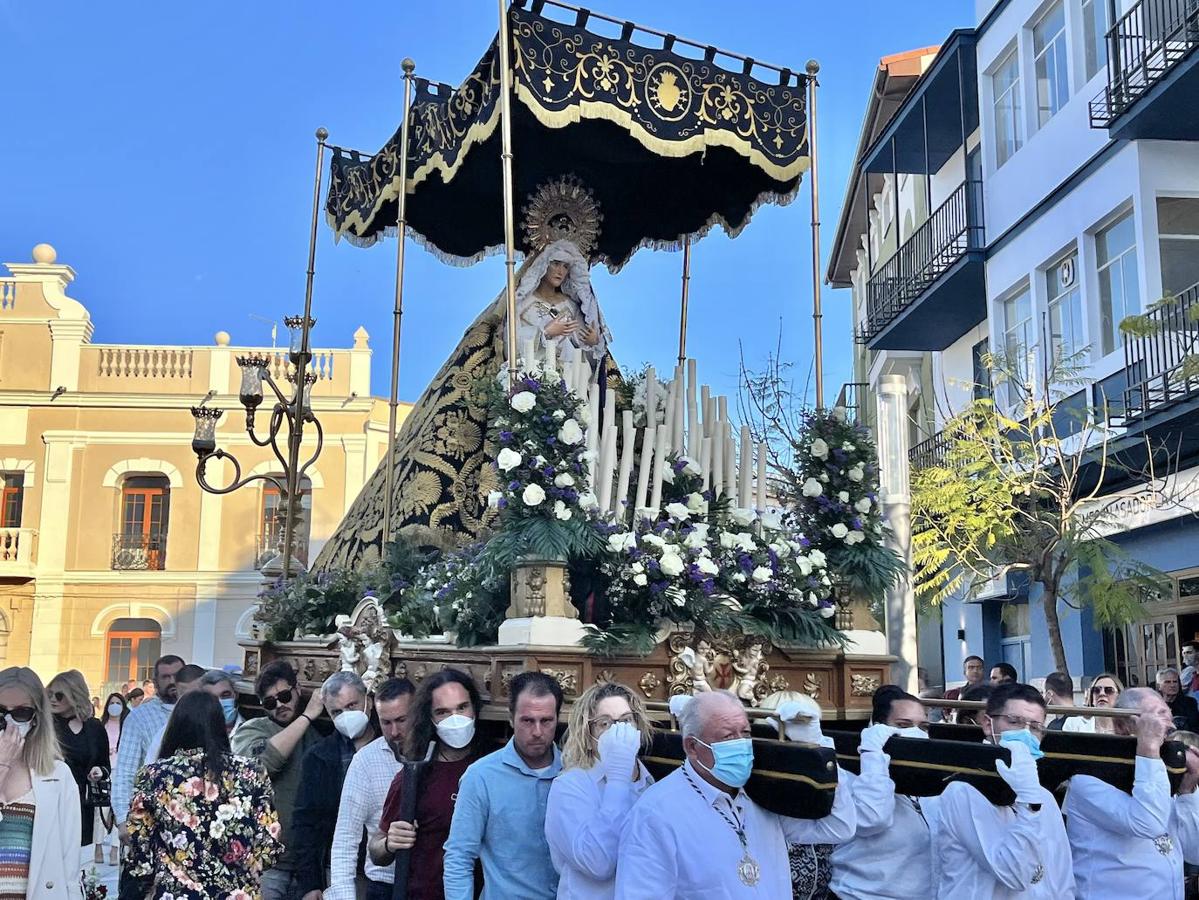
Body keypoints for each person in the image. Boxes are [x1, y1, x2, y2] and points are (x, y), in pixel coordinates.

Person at [614, 689, 856, 898]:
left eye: (746, 733)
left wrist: (820, 750)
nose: (741, 744)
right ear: (692, 746)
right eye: (728, 736)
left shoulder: (762, 793)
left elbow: (840, 827)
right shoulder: (656, 813)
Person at [126, 690, 282, 900]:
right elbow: (269, 844)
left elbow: (140, 850)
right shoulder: (251, 772)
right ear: (220, 725)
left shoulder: (154, 775)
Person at [936, 682, 1073, 898]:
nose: (1026, 733)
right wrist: (1028, 801)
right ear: (987, 724)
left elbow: (1061, 875)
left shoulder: (1042, 795)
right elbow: (1013, 874)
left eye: (1035, 727)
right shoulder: (964, 790)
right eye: (1014, 722)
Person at [1065, 687, 1199, 899]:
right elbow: (1148, 823)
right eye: (1156, 718)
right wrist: (1148, 749)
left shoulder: (1162, 772)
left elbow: (1195, 853)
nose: (1169, 726)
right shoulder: (1088, 780)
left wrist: (1186, 791)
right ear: (1121, 726)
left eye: (1169, 717)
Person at [444, 671, 566, 899]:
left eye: (546, 721)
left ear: (558, 718)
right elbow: (459, 856)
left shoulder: (573, 773)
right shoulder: (481, 776)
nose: (537, 731)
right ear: (511, 718)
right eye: (527, 720)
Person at [373, 669, 486, 900]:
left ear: (474, 708)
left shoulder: (492, 766)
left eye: (462, 707)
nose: (456, 719)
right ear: (430, 718)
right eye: (443, 712)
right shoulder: (415, 774)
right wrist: (389, 843)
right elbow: (377, 850)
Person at [544, 680, 655, 899]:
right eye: (604, 723)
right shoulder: (569, 787)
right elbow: (598, 863)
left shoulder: (650, 784)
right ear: (588, 736)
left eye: (626, 721)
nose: (618, 730)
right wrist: (617, 781)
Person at [829, 686, 941, 899]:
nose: (915, 733)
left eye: (923, 726)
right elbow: (872, 819)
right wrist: (873, 755)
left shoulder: (931, 781)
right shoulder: (850, 776)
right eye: (903, 725)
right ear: (879, 729)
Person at [232, 661, 326, 900]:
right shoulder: (253, 729)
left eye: (285, 695)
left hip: (308, 865)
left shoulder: (316, 738)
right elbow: (261, 766)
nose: (281, 705)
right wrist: (306, 716)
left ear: (298, 689)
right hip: (266, 865)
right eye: (271, 702)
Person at [327, 677, 415, 900]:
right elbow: (346, 838)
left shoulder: (439, 755)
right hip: (384, 886)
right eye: (386, 723)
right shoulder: (365, 761)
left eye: (402, 720)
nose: (394, 731)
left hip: (431, 885)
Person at [0, 666, 83, 900]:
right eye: (0, 711)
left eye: (21, 713)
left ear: (36, 717)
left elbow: (69, 864)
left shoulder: (58, 775)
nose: (9, 721)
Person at [294, 671, 378, 900]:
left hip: (385, 869)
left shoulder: (390, 746)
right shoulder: (319, 757)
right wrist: (310, 883)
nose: (347, 716)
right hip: (339, 869)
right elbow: (305, 822)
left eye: (352, 705)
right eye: (337, 712)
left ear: (368, 702)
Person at [112, 653, 185, 837]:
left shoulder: (200, 713)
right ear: (155, 682)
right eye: (165, 677)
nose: (172, 681)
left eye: (176, 676)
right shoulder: (139, 718)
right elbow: (125, 772)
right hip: (151, 816)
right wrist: (122, 819)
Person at [47, 669, 110, 850]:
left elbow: (104, 763)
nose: (52, 699)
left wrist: (99, 771)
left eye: (59, 695)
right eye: (49, 694)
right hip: (53, 800)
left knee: (80, 855)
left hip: (83, 802)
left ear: (75, 695)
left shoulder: (94, 727)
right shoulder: (45, 725)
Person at [143, 663, 209, 762]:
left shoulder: (220, 725)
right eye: (185, 697)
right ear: (177, 694)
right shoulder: (164, 734)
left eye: (196, 695)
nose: (191, 702)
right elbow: (150, 767)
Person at [96, 691, 128, 865]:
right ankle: (98, 846)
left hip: (120, 770)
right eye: (112, 702)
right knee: (101, 810)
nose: (114, 706)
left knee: (118, 811)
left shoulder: (127, 725)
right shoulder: (101, 725)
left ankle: (115, 849)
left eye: (118, 703)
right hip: (103, 770)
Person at [199, 668, 246, 735]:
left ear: (236, 694)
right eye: (212, 698)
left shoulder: (253, 730)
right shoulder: (196, 732)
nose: (220, 703)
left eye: (225, 695)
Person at [1156, 667, 1199, 732]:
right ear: (1159, 686)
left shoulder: (1190, 703)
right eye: (1167, 682)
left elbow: (1195, 727)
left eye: (1175, 681)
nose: (1172, 685)